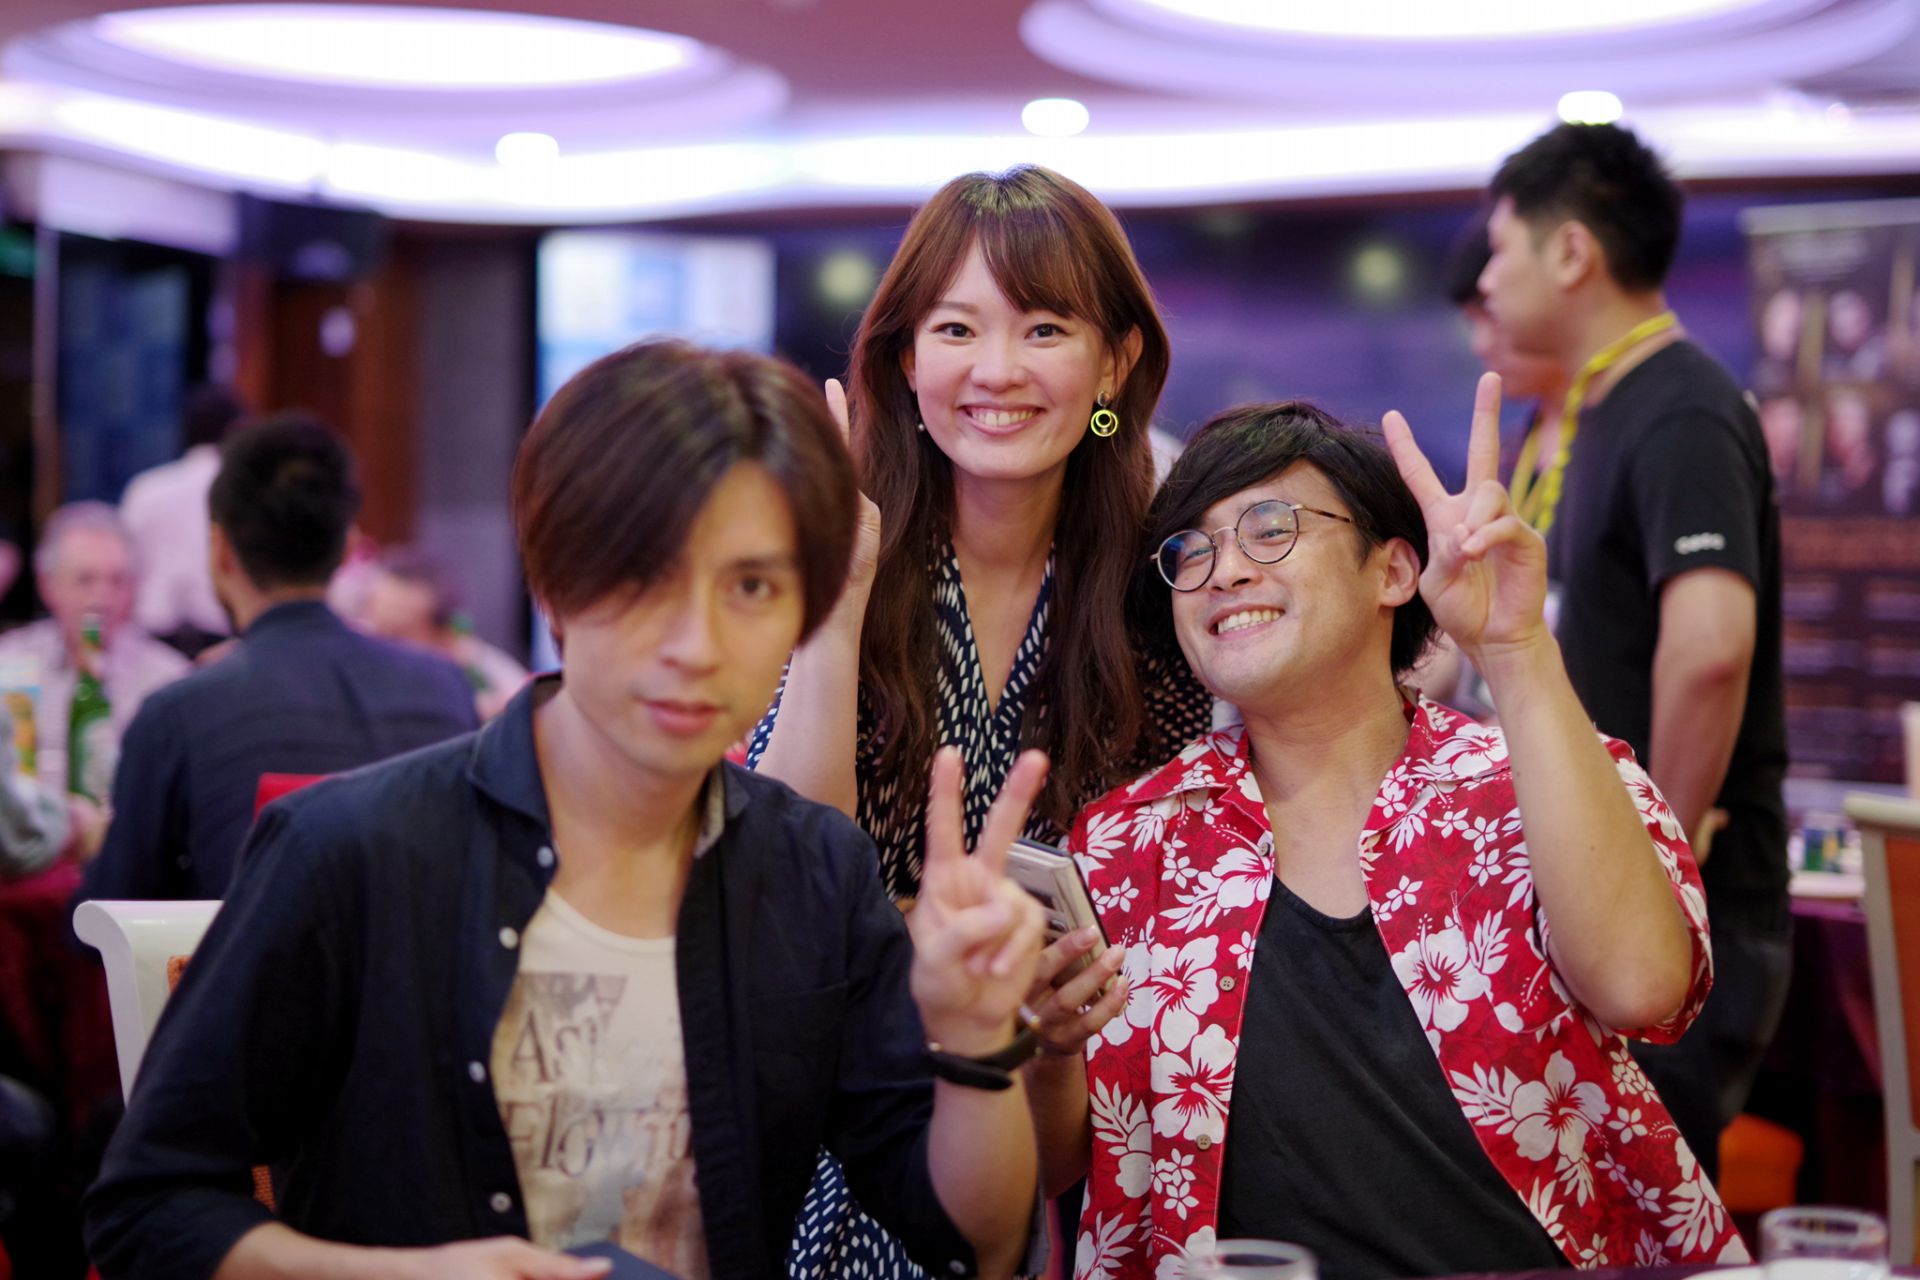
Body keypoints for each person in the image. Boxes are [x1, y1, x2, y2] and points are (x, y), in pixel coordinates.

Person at [83, 340, 1050, 1280]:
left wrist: (979, 1043)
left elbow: (974, 1242)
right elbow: (147, 1209)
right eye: (646, 577)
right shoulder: (351, 851)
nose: (697, 644)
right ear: (552, 584)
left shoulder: (813, 872)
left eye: (752, 586)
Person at [1031, 387, 1746, 1280]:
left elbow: (1644, 988)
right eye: (1191, 550)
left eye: (1270, 528)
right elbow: (1061, 1165)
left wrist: (1514, 646)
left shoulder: (1531, 781)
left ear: (1394, 572)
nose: (1225, 571)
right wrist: (1045, 1050)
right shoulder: (1127, 845)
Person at [746, 164, 1214, 1277]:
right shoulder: (836, 552)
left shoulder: (1156, 593)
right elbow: (791, 881)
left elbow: (1148, 922)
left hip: (1081, 1119)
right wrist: (834, 611)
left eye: (1044, 328)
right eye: (957, 328)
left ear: (1116, 362)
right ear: (907, 361)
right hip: (840, 1121)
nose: (997, 370)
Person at [1478, 122, 1790, 1176]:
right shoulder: (1606, 404)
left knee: (1649, 1205)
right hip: (1610, 884)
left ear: (1572, 252)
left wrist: (1656, 868)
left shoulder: (1682, 404)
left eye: (1502, 249)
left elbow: (1710, 650)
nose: (1488, 279)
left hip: (1673, 900)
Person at [79, 415, 478, 903]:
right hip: (417, 953)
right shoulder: (445, 687)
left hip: (252, 954)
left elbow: (113, 912)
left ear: (220, 550)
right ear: (348, 549)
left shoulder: (177, 713)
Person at [0, 503, 190, 801]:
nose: (102, 598)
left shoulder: (168, 679)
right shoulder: (10, 660)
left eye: (118, 581)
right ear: (46, 584)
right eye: (85, 580)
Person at [120, 384, 248, 657]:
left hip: (151, 634)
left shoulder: (145, 488)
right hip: (220, 637)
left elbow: (124, 562)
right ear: (235, 430)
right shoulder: (243, 490)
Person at [361, 545, 530, 720]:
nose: (377, 645)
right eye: (372, 620)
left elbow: (518, 696)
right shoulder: (361, 666)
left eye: (397, 635)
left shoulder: (471, 662)